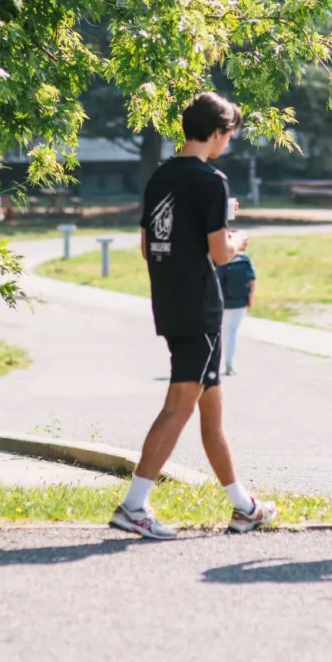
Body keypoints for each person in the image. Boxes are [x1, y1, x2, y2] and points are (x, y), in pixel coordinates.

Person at [110, 92, 276, 539]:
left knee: (210, 413)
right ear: (217, 132)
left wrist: (216, 222)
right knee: (179, 407)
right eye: (228, 136)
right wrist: (237, 238)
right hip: (200, 307)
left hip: (167, 300)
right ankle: (134, 505)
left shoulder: (160, 175)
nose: (228, 144)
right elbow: (221, 255)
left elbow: (148, 246)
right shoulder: (212, 180)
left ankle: (245, 507)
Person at [215, 249, 256, 375]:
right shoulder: (245, 259)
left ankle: (213, 366)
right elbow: (252, 280)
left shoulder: (219, 258)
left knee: (218, 333)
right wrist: (250, 300)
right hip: (239, 301)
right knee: (232, 332)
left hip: (220, 302)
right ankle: (229, 365)